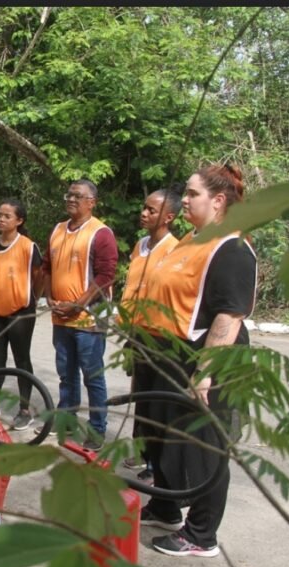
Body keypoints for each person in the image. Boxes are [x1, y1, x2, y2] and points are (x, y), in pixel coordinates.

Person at [135, 164, 257, 558]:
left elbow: (229, 315)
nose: (183, 200)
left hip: (208, 358)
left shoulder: (232, 247)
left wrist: (204, 373)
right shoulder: (192, 238)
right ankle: (167, 507)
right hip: (169, 354)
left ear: (218, 201)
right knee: (165, 438)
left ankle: (202, 534)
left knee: (205, 447)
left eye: (191, 194)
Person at [41, 179, 118, 450]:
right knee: (66, 373)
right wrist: (49, 297)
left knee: (92, 376)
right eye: (69, 195)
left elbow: (105, 277)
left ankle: (97, 430)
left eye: (78, 196)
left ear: (92, 202)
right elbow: (47, 267)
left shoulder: (100, 233)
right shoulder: (58, 230)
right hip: (60, 316)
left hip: (88, 319)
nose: (71, 199)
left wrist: (78, 304)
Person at [117, 185, 182, 481]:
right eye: (144, 208)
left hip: (159, 337)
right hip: (135, 334)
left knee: (157, 405)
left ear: (168, 217)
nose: (143, 213)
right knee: (141, 400)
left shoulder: (176, 250)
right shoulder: (141, 245)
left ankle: (157, 463)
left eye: (151, 210)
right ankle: (143, 453)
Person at [0, 198, 43, 430]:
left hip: (20, 312)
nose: (1, 219)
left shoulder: (27, 246)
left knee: (21, 359)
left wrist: (30, 299)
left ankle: (24, 409)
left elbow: (39, 275)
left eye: (7, 216)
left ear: (19, 220)